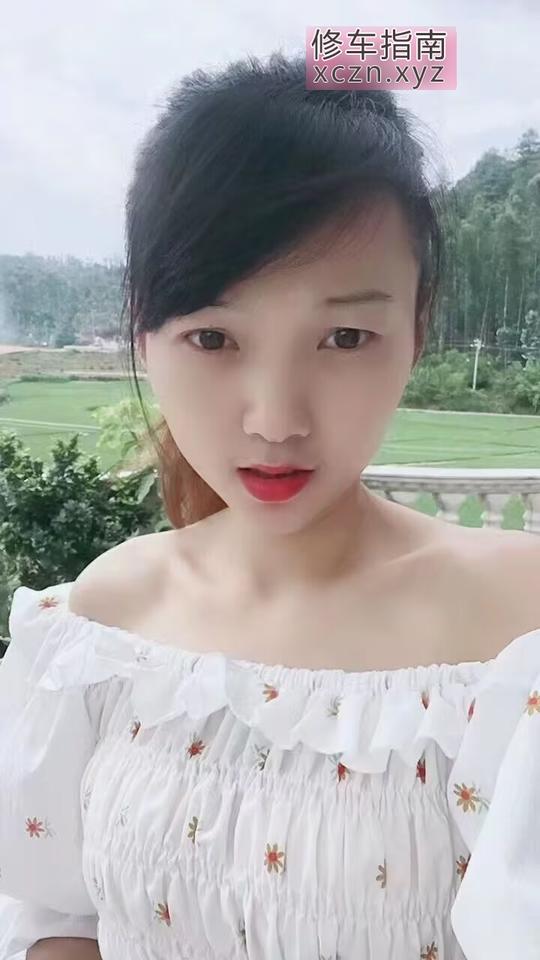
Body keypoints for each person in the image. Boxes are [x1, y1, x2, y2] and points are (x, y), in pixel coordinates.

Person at [1, 50, 539, 960]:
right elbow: (57, 917)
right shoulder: (101, 625)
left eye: (345, 336)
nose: (276, 419)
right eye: (214, 338)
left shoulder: (517, 634)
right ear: (144, 332)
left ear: (416, 329)